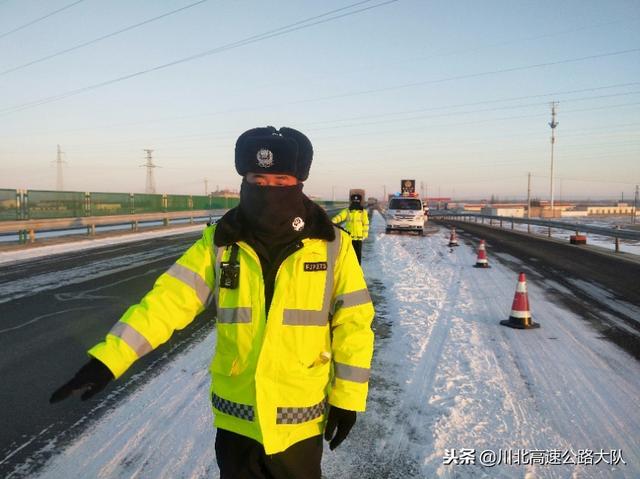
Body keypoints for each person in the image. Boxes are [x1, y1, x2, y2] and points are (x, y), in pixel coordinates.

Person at [50, 126, 375, 479]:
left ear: (298, 181)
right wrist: (109, 359)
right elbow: (165, 303)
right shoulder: (219, 243)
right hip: (236, 424)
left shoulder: (332, 246)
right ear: (244, 180)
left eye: (281, 179)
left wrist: (347, 398)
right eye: (258, 179)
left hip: (299, 425)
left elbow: (354, 326)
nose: (269, 189)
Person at [331, 192, 369, 264]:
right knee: (348, 256)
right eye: (354, 201)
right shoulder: (347, 211)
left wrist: (364, 235)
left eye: (357, 201)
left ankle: (357, 271)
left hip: (358, 238)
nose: (355, 203)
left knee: (357, 257)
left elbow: (366, 224)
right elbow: (340, 217)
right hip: (349, 238)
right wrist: (333, 221)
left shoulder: (363, 212)